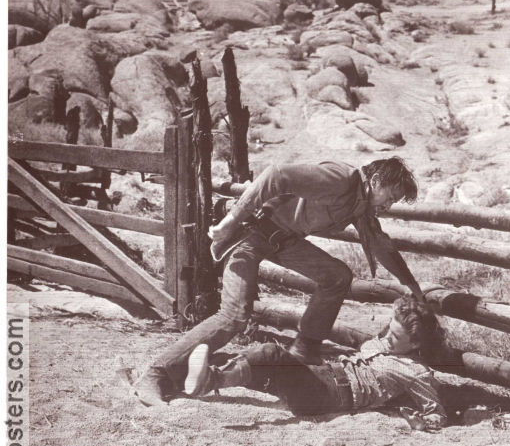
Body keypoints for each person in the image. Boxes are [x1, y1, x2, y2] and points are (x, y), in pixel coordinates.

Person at [134, 157, 423, 406]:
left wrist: (412, 286)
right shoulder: (342, 179)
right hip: (249, 233)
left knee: (337, 276)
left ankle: (303, 350)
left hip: (282, 241)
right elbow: (277, 174)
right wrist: (231, 221)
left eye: (394, 202)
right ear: (374, 180)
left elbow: (381, 245)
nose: (389, 204)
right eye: (390, 196)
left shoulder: (361, 205)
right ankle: (156, 373)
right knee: (234, 316)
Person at [181, 295, 454, 430]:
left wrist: (419, 421)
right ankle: (209, 380)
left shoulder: (417, 373)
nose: (387, 337)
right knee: (269, 369)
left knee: (270, 354)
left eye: (396, 337)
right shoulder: (383, 343)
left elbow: (437, 413)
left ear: (416, 344)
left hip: (333, 395)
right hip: (325, 376)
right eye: (388, 330)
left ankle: (211, 378)